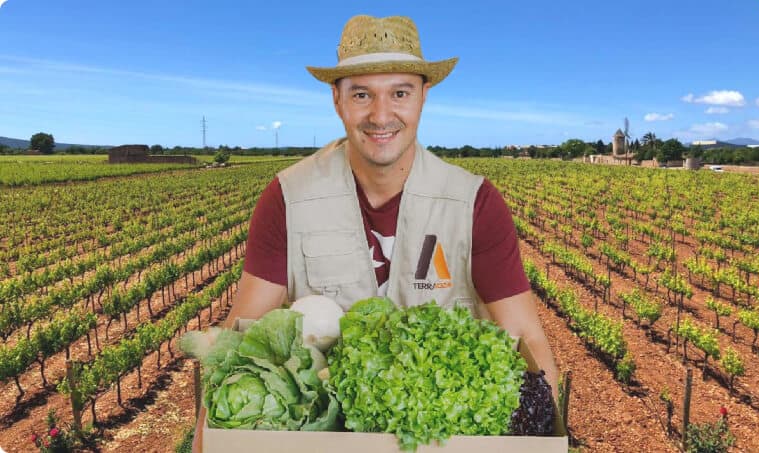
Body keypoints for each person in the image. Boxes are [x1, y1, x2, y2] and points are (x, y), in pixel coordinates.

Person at [192, 14, 558, 452]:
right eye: (362, 94)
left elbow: (527, 339)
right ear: (337, 100)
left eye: (400, 93)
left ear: (423, 96)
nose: (380, 115)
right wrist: (205, 438)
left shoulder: (474, 203)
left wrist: (548, 437)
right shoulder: (287, 198)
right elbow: (242, 333)